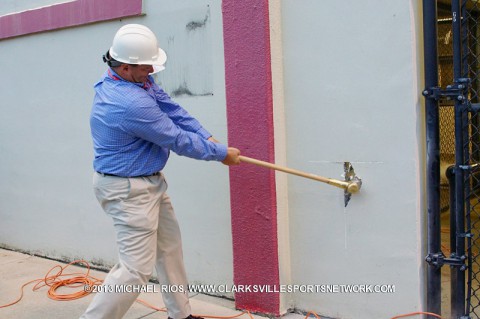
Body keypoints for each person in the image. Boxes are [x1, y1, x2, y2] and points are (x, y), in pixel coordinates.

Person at [81, 24, 241, 319]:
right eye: (147, 66)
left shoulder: (136, 80)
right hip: (128, 191)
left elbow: (172, 109)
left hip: (148, 183)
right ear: (126, 66)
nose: (152, 70)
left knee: (169, 249)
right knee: (134, 270)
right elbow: (175, 138)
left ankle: (180, 315)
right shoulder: (129, 102)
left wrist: (206, 136)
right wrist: (220, 154)